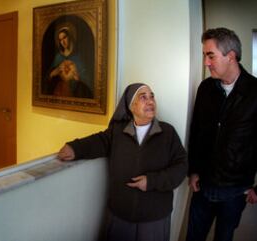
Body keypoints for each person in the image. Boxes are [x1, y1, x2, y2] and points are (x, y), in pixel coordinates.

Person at [58, 83, 187, 241]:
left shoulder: (168, 133)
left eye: (152, 96)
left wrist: (152, 181)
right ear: (131, 106)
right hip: (121, 214)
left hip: (154, 217)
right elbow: (98, 141)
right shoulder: (118, 131)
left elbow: (181, 166)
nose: (150, 101)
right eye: (143, 97)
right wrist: (75, 148)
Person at [186, 27, 257, 241]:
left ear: (231, 56)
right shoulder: (206, 88)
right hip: (203, 186)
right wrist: (194, 170)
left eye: (211, 56)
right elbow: (196, 132)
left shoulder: (255, 92)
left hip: (235, 191)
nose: (206, 63)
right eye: (205, 56)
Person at [43, 25, 93, 98]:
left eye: (64, 37)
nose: (62, 42)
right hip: (59, 93)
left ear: (70, 36)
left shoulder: (78, 57)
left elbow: (88, 82)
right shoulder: (58, 57)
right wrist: (53, 73)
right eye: (60, 40)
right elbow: (47, 78)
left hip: (75, 94)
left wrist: (78, 78)